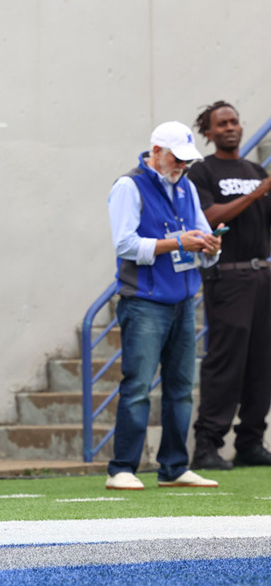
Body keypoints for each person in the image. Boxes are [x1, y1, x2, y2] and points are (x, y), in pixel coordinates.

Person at [105, 120, 222, 491]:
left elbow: (200, 237)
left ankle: (174, 466)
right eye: (177, 158)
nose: (183, 166)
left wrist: (210, 248)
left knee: (181, 388)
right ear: (155, 151)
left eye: (187, 160)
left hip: (183, 299)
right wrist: (178, 244)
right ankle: (122, 468)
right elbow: (124, 245)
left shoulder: (185, 185)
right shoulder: (129, 185)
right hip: (144, 301)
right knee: (138, 385)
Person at [188, 101, 271, 470]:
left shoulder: (254, 169)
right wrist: (257, 192)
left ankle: (251, 441)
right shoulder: (202, 172)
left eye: (234, 121)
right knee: (226, 362)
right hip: (228, 276)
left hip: (262, 274)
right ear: (207, 132)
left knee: (262, 362)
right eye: (221, 124)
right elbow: (208, 218)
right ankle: (207, 444)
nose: (230, 127)